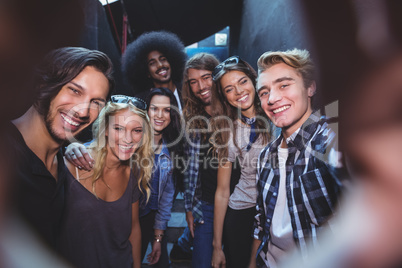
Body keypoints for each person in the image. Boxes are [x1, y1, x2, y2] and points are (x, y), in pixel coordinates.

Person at [7, 47, 113, 251]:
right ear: (43, 84)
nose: (83, 110)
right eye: (74, 90)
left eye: (96, 102)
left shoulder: (62, 163)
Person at [250, 49, 346, 268]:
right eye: (264, 92)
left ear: (310, 87)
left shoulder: (330, 138)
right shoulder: (266, 155)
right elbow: (262, 222)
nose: (272, 99)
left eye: (284, 85)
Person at [60, 95, 153, 268]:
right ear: (106, 129)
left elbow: (134, 229)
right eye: (119, 128)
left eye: (137, 130)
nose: (128, 138)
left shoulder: (134, 172)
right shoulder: (71, 165)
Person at [170, 53, 242, 267]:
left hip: (240, 204)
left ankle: (182, 245)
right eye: (193, 81)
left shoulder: (238, 113)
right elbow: (191, 170)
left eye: (206, 77)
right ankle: (183, 245)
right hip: (207, 205)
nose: (200, 86)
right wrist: (190, 209)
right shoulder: (191, 120)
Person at [210, 56, 271, 268]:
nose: (238, 92)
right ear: (224, 97)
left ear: (253, 80)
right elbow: (223, 190)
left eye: (242, 81)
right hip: (242, 214)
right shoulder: (229, 132)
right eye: (229, 89)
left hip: (276, 211)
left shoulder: (279, 113)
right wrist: (217, 246)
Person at [139, 87, 182, 267]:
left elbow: (165, 199)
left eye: (166, 110)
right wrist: (74, 148)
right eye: (154, 108)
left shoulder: (171, 151)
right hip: (127, 219)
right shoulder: (130, 143)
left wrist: (158, 238)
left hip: (151, 218)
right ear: (146, 110)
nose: (160, 115)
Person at [121, 30, 187, 112]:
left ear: (171, 62)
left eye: (163, 59)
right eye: (152, 63)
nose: (160, 65)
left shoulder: (187, 90)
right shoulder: (141, 101)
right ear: (147, 72)